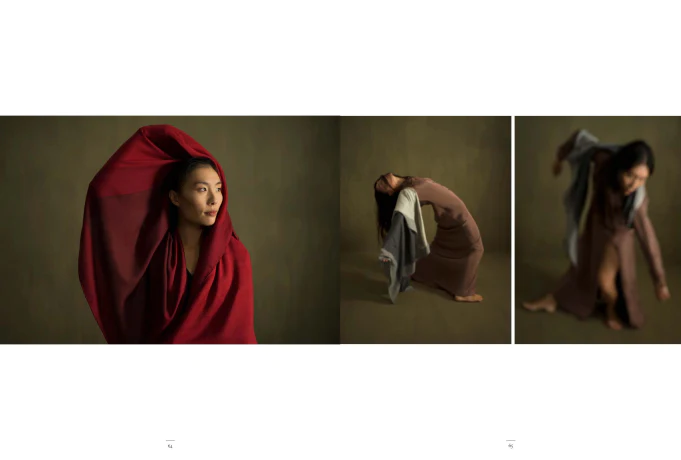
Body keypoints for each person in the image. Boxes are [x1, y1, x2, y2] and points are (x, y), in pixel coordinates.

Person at [79, 125, 257, 344]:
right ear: (175, 198)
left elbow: (239, 336)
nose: (214, 199)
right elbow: (102, 189)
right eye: (202, 189)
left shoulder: (236, 256)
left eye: (219, 189)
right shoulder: (158, 253)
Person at [522, 130, 671, 330]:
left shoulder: (637, 202)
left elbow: (649, 239)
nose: (634, 184)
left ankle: (611, 309)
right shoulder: (603, 161)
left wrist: (659, 280)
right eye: (630, 175)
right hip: (596, 226)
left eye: (642, 179)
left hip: (618, 238)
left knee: (605, 279)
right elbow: (580, 138)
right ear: (620, 167)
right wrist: (559, 157)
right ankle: (554, 300)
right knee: (582, 266)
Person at [374, 173, 484, 302]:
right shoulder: (408, 193)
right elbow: (400, 218)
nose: (381, 181)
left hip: (451, 219)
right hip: (460, 220)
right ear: (390, 192)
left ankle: (418, 273)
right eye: (380, 186)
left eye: (380, 180)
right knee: (476, 248)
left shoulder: (410, 182)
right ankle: (464, 293)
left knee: (441, 251)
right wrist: (389, 249)